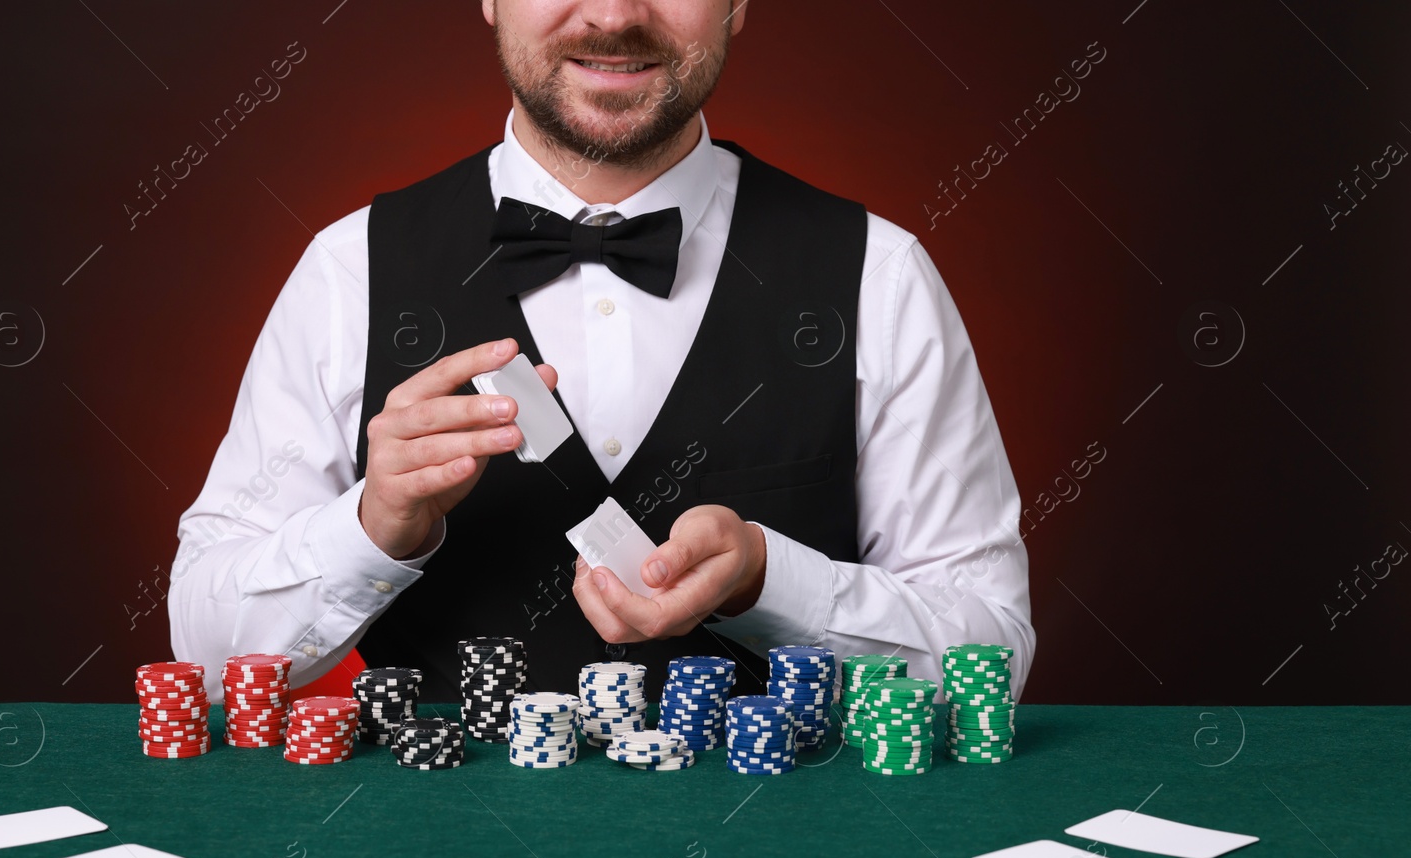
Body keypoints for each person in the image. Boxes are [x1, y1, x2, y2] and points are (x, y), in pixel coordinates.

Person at [169, 0, 1033, 701]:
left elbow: (991, 651)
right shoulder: (346, 269)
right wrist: (372, 527)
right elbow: (204, 660)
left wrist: (769, 582)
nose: (615, 15)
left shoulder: (879, 276)